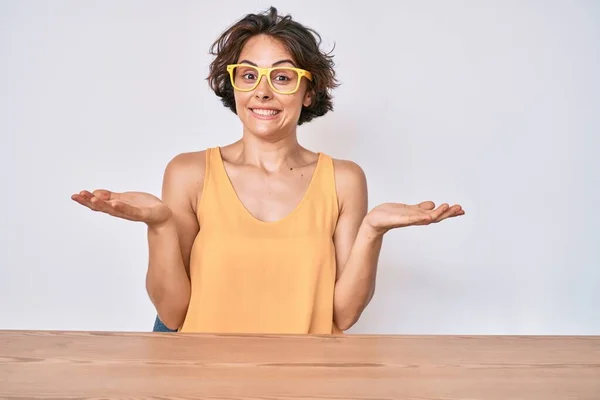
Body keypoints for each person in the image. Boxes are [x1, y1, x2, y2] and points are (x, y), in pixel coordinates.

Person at [71, 6, 464, 335]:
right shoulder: (189, 173)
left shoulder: (344, 180)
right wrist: (159, 226)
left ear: (309, 91)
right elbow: (173, 315)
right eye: (248, 75)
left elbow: (342, 315)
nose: (262, 91)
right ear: (234, 87)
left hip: (304, 384)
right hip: (202, 382)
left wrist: (372, 231)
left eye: (282, 76)